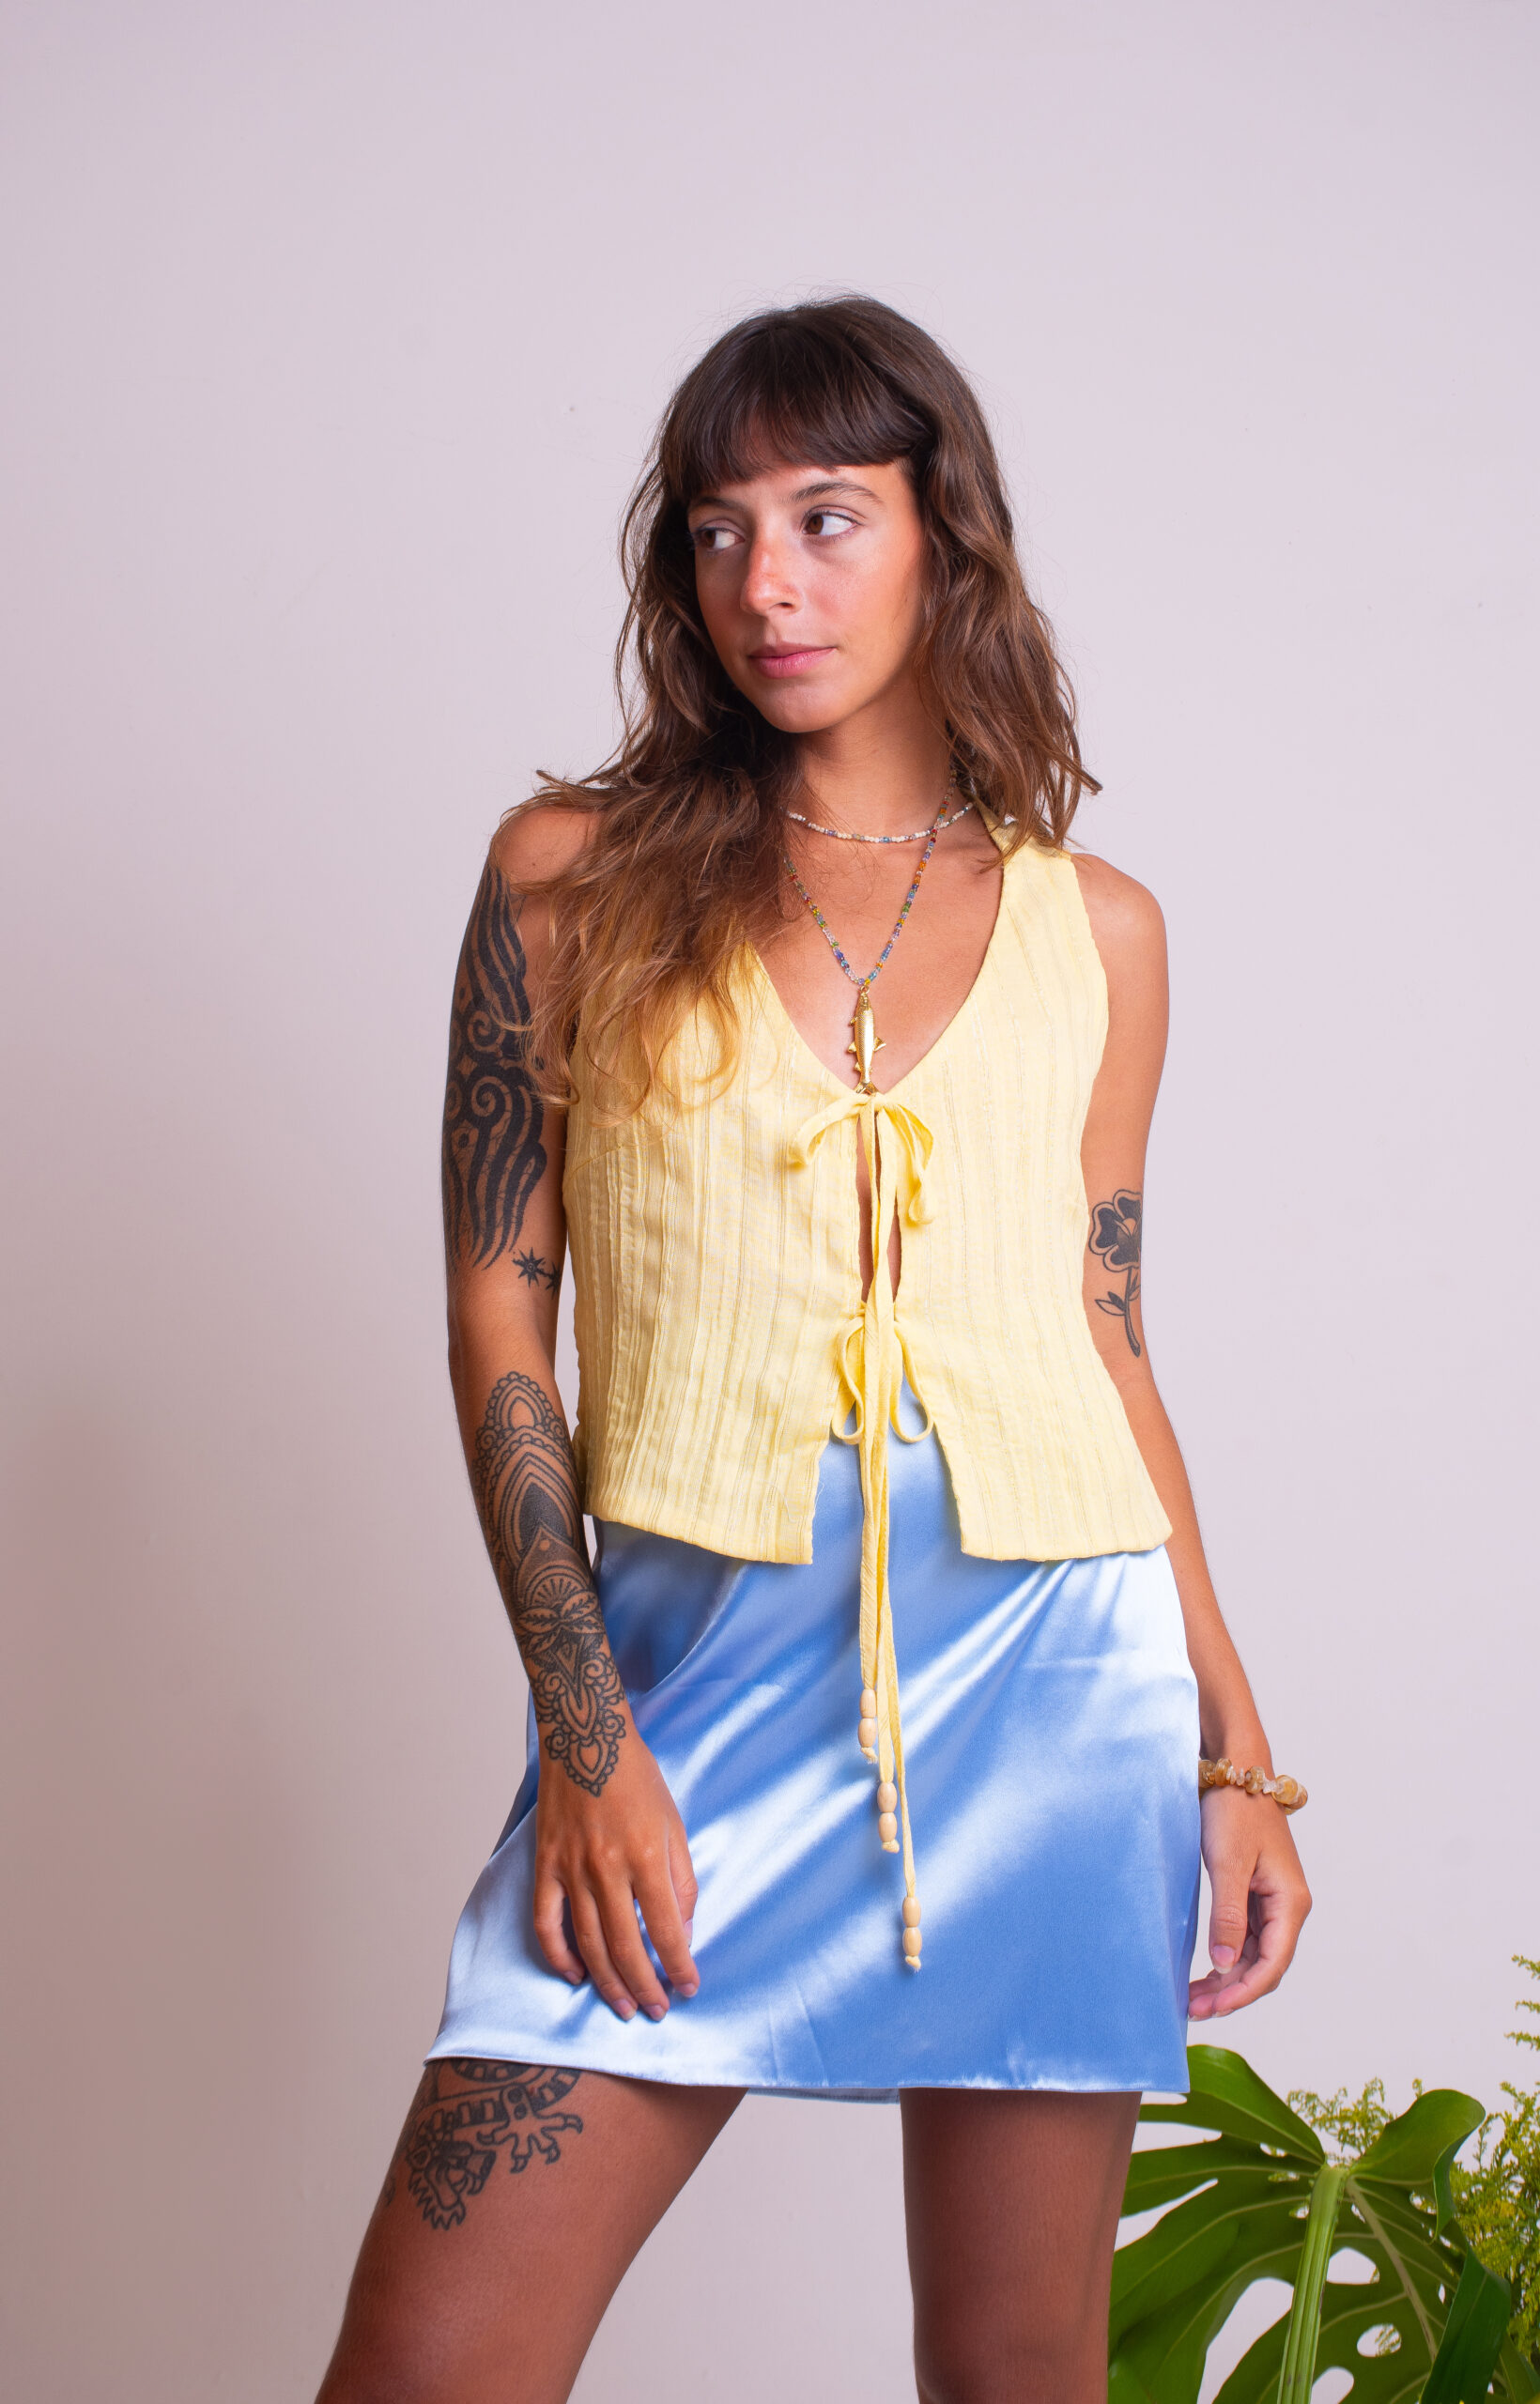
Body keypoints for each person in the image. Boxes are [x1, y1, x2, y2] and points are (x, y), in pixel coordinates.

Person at [316, 294, 1312, 2404]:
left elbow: (1102, 1328)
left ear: (945, 534)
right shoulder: (570, 879)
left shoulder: (1097, 929)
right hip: (688, 1680)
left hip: (1053, 1687)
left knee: (1016, 2369)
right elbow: (500, 1304)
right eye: (718, 528)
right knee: (430, 2367)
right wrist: (584, 1736)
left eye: (827, 517)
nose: (765, 580)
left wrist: (1231, 1748)